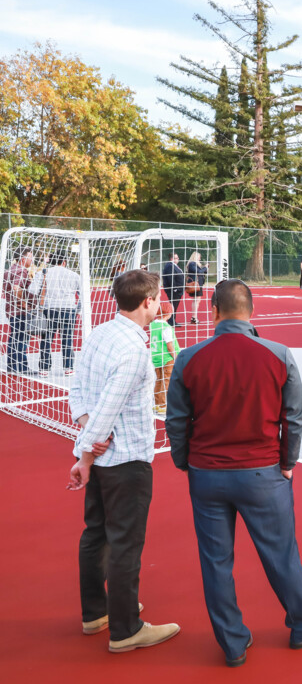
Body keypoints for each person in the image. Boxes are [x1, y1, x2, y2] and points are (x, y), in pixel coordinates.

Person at [165, 279, 302, 666]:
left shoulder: (189, 358)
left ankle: (232, 643)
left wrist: (184, 462)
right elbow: (294, 418)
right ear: (251, 311)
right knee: (281, 554)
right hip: (262, 473)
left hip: (207, 473)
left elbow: (176, 420)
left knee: (215, 562)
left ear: (213, 311)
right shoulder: (278, 354)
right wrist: (288, 462)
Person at [67, 269, 181, 653]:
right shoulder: (133, 351)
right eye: (158, 298)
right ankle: (126, 628)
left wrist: (86, 436)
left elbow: (78, 390)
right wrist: (84, 453)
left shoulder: (100, 333)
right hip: (126, 460)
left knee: (95, 534)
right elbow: (107, 410)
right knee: (125, 544)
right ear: (147, 301)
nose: (160, 303)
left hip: (104, 461)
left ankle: (96, 614)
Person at [27, 252, 81, 376]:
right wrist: (78, 309)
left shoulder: (43, 273)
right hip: (68, 309)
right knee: (67, 338)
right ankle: (68, 367)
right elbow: (83, 294)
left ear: (51, 261)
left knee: (47, 339)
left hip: (49, 308)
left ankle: (44, 369)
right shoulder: (73, 275)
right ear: (64, 262)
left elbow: (33, 290)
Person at [3, 248, 34, 374]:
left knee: (14, 337)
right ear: (23, 258)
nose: (32, 260)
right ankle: (21, 367)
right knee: (21, 338)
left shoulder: (9, 270)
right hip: (19, 311)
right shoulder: (22, 271)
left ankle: (12, 366)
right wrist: (24, 304)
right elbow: (16, 287)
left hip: (10, 309)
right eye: (30, 257)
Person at [149, 300, 179, 415]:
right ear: (169, 313)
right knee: (166, 381)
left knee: (158, 381)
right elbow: (170, 345)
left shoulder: (153, 324)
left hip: (156, 357)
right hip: (166, 358)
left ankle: (157, 404)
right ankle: (163, 405)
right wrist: (175, 357)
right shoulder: (166, 328)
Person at [161, 253, 185, 325]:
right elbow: (170, 278)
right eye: (176, 258)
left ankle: (172, 320)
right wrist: (175, 289)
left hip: (178, 289)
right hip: (174, 290)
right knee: (173, 305)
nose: (178, 259)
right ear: (172, 259)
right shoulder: (170, 266)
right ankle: (171, 321)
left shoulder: (174, 266)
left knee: (174, 305)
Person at [186, 252, 208, 324]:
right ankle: (194, 317)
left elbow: (201, 272)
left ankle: (194, 317)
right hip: (195, 284)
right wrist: (205, 267)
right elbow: (198, 272)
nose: (200, 258)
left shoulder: (194, 264)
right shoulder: (192, 263)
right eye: (199, 257)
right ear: (195, 257)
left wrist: (205, 268)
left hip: (198, 284)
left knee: (196, 300)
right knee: (196, 300)